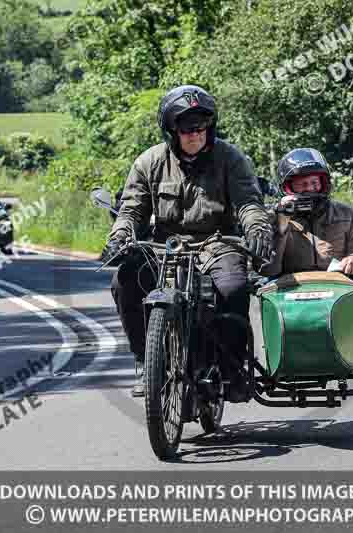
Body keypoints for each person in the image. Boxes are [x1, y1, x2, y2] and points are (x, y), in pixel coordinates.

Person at [102, 85, 273, 398]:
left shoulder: (230, 158)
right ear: (171, 131)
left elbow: (249, 202)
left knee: (234, 287)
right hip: (164, 246)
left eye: (201, 126)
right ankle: (146, 359)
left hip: (218, 243)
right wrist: (120, 237)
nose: (195, 134)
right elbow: (131, 210)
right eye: (186, 128)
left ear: (210, 127)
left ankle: (229, 368)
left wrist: (258, 230)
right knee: (124, 279)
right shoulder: (149, 162)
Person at [262, 148, 353, 277]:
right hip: (290, 284)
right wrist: (281, 225)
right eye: (302, 184)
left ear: (324, 183)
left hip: (339, 281)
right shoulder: (271, 216)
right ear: (288, 188)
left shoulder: (346, 213)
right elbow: (268, 270)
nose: (310, 188)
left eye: (314, 182)